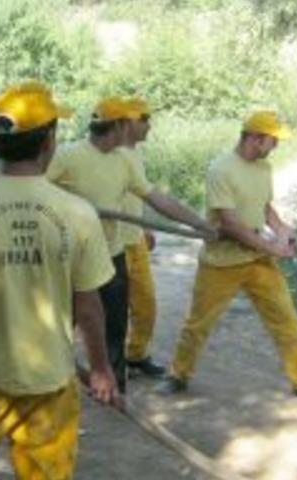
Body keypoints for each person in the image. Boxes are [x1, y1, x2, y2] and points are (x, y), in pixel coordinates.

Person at [0, 81, 120, 479]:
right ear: (49, 140)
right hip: (49, 382)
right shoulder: (78, 214)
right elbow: (89, 307)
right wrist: (101, 368)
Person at [47, 97, 213, 394]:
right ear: (120, 125)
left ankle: (113, 387)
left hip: (111, 254)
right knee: (66, 320)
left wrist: (198, 224)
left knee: (115, 323)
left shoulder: (124, 161)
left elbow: (156, 198)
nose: (139, 126)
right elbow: (34, 190)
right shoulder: (67, 156)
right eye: (132, 122)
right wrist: (71, 207)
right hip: (72, 258)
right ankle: (46, 378)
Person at [157, 111, 297, 401]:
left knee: (286, 321)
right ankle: (178, 375)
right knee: (198, 324)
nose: (276, 146)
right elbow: (231, 223)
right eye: (273, 141)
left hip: (258, 261)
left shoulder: (263, 168)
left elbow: (266, 208)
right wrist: (272, 247)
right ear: (256, 138)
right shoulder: (221, 170)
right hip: (222, 262)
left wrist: (283, 230)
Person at [118, 98, 164, 377]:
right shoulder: (109, 154)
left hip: (135, 239)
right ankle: (112, 364)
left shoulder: (136, 155)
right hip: (113, 243)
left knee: (146, 304)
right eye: (143, 118)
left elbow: (139, 193)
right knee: (113, 309)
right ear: (127, 122)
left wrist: (145, 226)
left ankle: (136, 355)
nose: (149, 124)